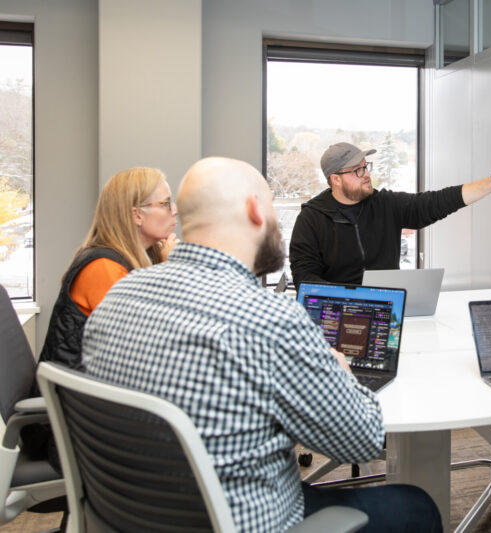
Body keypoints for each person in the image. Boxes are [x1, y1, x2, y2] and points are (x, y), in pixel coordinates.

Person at [83, 157, 442, 533]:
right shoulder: (268, 319)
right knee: (415, 507)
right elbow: (362, 441)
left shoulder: (121, 294)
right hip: (246, 522)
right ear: (256, 210)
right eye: (272, 206)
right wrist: (339, 372)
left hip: (136, 515)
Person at [289, 142, 491, 285]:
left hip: (389, 312)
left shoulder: (385, 205)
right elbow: (305, 278)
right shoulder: (311, 219)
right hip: (335, 316)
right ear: (335, 179)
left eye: (366, 167)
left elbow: (440, 201)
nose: (367, 174)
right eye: (357, 170)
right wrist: (352, 298)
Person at [38, 167, 178, 370]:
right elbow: (147, 341)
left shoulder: (136, 259)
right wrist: (169, 270)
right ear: (137, 214)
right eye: (165, 203)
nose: (174, 210)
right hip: (77, 394)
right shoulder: (103, 268)